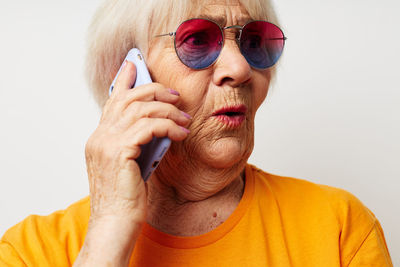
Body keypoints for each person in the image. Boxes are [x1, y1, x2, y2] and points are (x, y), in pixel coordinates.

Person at [0, 0, 393, 266]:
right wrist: (108, 233)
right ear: (126, 78)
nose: (240, 69)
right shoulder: (31, 250)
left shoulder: (340, 229)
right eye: (197, 40)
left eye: (254, 41)